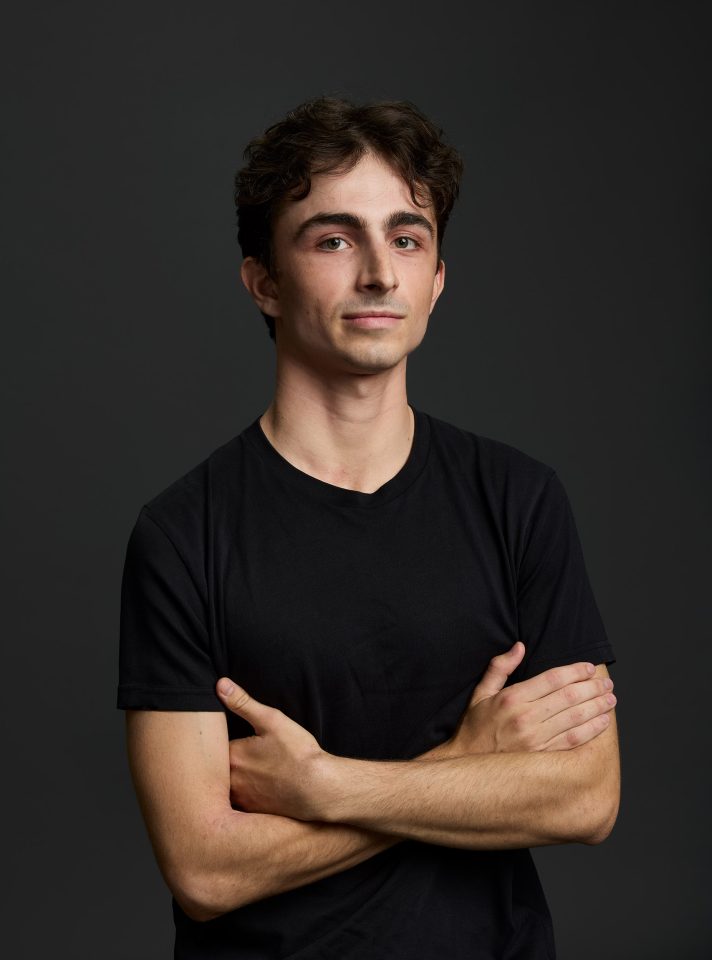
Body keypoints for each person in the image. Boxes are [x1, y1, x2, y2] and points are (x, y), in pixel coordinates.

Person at [117, 96, 620, 960]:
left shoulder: (520, 499)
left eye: (407, 239)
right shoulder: (182, 534)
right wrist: (462, 762)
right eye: (334, 240)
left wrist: (327, 786)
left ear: (437, 281)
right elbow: (204, 871)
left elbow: (587, 799)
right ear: (264, 281)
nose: (380, 274)